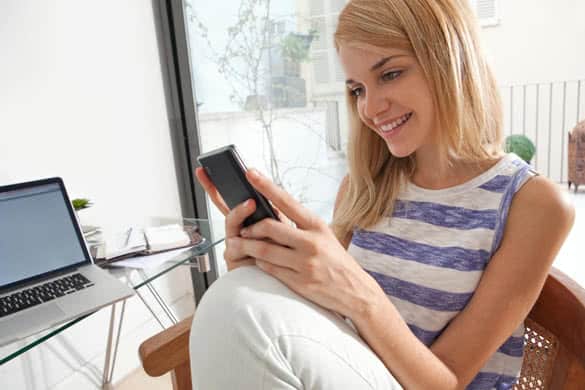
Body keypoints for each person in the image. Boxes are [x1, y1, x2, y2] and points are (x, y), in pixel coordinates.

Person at [190, 0, 575, 388]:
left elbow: (447, 381)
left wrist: (357, 294)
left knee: (233, 303)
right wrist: (263, 262)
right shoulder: (362, 190)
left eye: (390, 74)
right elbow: (322, 317)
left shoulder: (531, 203)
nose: (371, 108)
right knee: (235, 294)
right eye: (357, 89)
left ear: (449, 60)